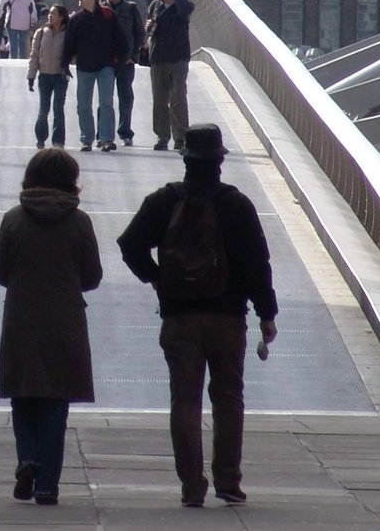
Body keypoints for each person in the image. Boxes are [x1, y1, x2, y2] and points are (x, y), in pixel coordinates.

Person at [116, 124, 278, 509]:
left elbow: (129, 244)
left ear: (185, 159)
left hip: (179, 316)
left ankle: (192, 485)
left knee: (184, 401)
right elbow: (258, 264)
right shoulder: (236, 205)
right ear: (220, 160)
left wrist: (157, 279)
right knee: (228, 397)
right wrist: (266, 314)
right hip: (227, 318)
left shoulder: (164, 201)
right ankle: (228, 480)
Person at [0, 149, 102, 506]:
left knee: (22, 395)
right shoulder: (80, 222)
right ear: (71, 180)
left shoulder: (13, 219)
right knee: (56, 399)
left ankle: (27, 458)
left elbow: (0, 273)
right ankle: (47, 486)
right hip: (65, 319)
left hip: (21, 317)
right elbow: (92, 276)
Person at [62, 0, 126, 153]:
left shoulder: (108, 15)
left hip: (106, 66)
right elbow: (69, 44)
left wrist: (120, 61)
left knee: (106, 103)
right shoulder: (76, 19)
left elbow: (120, 38)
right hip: (84, 67)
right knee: (83, 105)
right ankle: (86, 139)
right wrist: (65, 64)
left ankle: (106, 139)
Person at [147, 0, 194, 152]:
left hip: (178, 57)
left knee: (178, 96)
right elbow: (152, 26)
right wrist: (149, 27)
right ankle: (162, 136)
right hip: (158, 56)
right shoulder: (155, 5)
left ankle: (181, 137)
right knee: (159, 98)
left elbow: (186, 10)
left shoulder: (183, 6)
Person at [102, 0, 145, 147]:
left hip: (125, 62)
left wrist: (134, 57)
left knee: (126, 97)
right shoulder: (102, 9)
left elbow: (140, 33)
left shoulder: (131, 8)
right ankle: (104, 133)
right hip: (106, 62)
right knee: (105, 99)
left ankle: (125, 131)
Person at [27, 4, 70, 149]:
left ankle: (58, 140)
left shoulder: (68, 33)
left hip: (60, 76)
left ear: (61, 17)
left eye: (54, 14)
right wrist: (31, 76)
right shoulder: (41, 32)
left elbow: (73, 53)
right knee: (43, 108)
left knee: (58, 108)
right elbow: (34, 55)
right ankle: (40, 137)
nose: (50, 16)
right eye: (50, 14)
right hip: (44, 76)